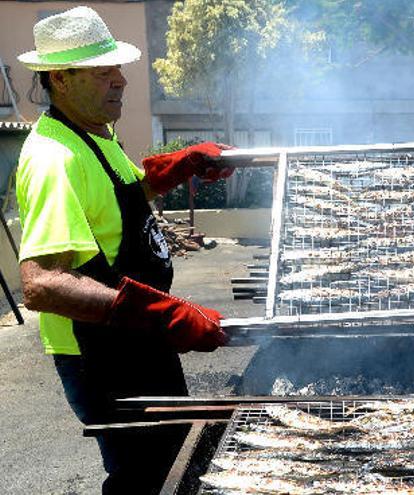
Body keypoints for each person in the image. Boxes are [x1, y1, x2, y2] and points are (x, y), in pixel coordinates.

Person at [15, 7, 233, 493]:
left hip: (137, 338)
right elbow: (42, 283)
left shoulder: (93, 136)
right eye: (102, 72)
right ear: (59, 78)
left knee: (174, 457)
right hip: (102, 353)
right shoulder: (54, 158)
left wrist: (182, 165)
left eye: (118, 69)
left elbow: (123, 194)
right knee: (145, 477)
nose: (120, 82)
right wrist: (162, 315)